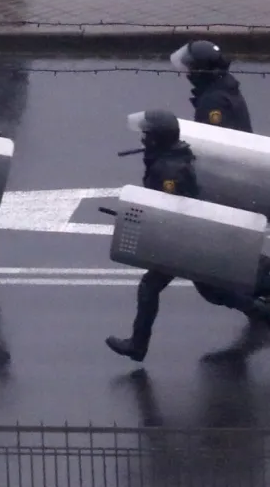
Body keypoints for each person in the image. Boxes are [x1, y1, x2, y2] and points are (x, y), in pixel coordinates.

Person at [106, 111, 270, 362]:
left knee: (197, 289)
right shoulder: (171, 157)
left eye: (147, 134)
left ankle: (138, 346)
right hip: (186, 237)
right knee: (211, 291)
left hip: (184, 238)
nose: (143, 138)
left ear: (157, 139)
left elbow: (173, 210)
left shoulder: (168, 170)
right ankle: (137, 345)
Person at [170, 41, 252, 132]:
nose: (188, 74)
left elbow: (211, 137)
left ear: (199, 71)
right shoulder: (226, 87)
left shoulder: (213, 101)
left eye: (190, 69)